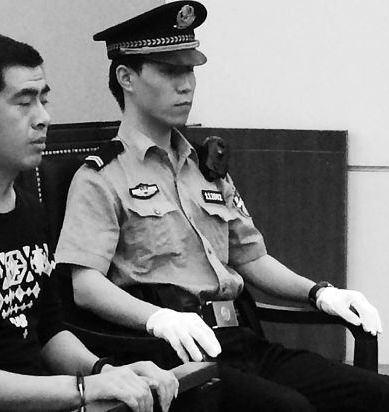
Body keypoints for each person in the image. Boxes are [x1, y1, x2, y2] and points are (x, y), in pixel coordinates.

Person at [55, 2, 389, 411]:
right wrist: (157, 318)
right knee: (289, 408)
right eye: (170, 71)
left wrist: (320, 293)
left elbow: (251, 258)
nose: (186, 86)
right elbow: (85, 286)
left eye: (190, 70)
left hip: (239, 337)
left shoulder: (205, 169)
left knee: (377, 394)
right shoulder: (102, 176)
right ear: (126, 77)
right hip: (172, 352)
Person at [0, 32, 179, 412]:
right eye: (24, 102)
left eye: (44, 100)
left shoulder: (29, 211)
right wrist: (83, 389)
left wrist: (107, 371)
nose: (43, 118)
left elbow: (49, 332)